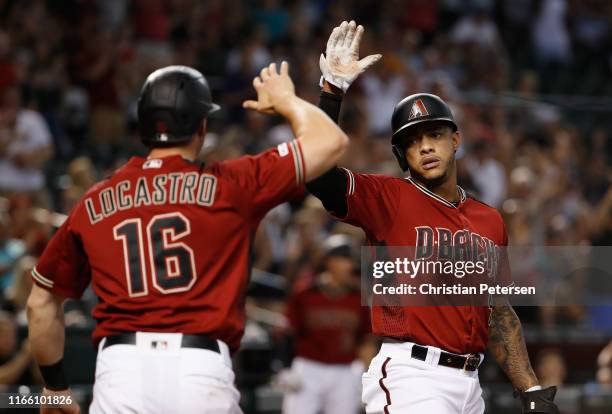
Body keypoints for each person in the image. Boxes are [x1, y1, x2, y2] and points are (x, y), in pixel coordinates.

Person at [26, 62, 348, 414]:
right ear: (202, 126)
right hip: (200, 370)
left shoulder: (94, 200)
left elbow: (40, 304)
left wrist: (55, 387)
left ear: (143, 126)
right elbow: (330, 142)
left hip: (120, 371)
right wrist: (287, 100)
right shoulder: (233, 184)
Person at [307, 20, 560, 414]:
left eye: (434, 134)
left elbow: (498, 313)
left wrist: (529, 387)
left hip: (471, 385)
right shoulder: (388, 198)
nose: (424, 146)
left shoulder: (489, 220)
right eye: (412, 141)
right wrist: (332, 93)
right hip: (412, 374)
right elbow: (320, 177)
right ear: (401, 155)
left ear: (455, 139)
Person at [282, 234, 372, 414]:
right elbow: (289, 331)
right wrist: (285, 367)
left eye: (351, 261)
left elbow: (366, 341)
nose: (350, 266)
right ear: (329, 261)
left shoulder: (359, 296)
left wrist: (367, 376)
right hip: (308, 367)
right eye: (344, 259)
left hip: (344, 370)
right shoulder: (305, 292)